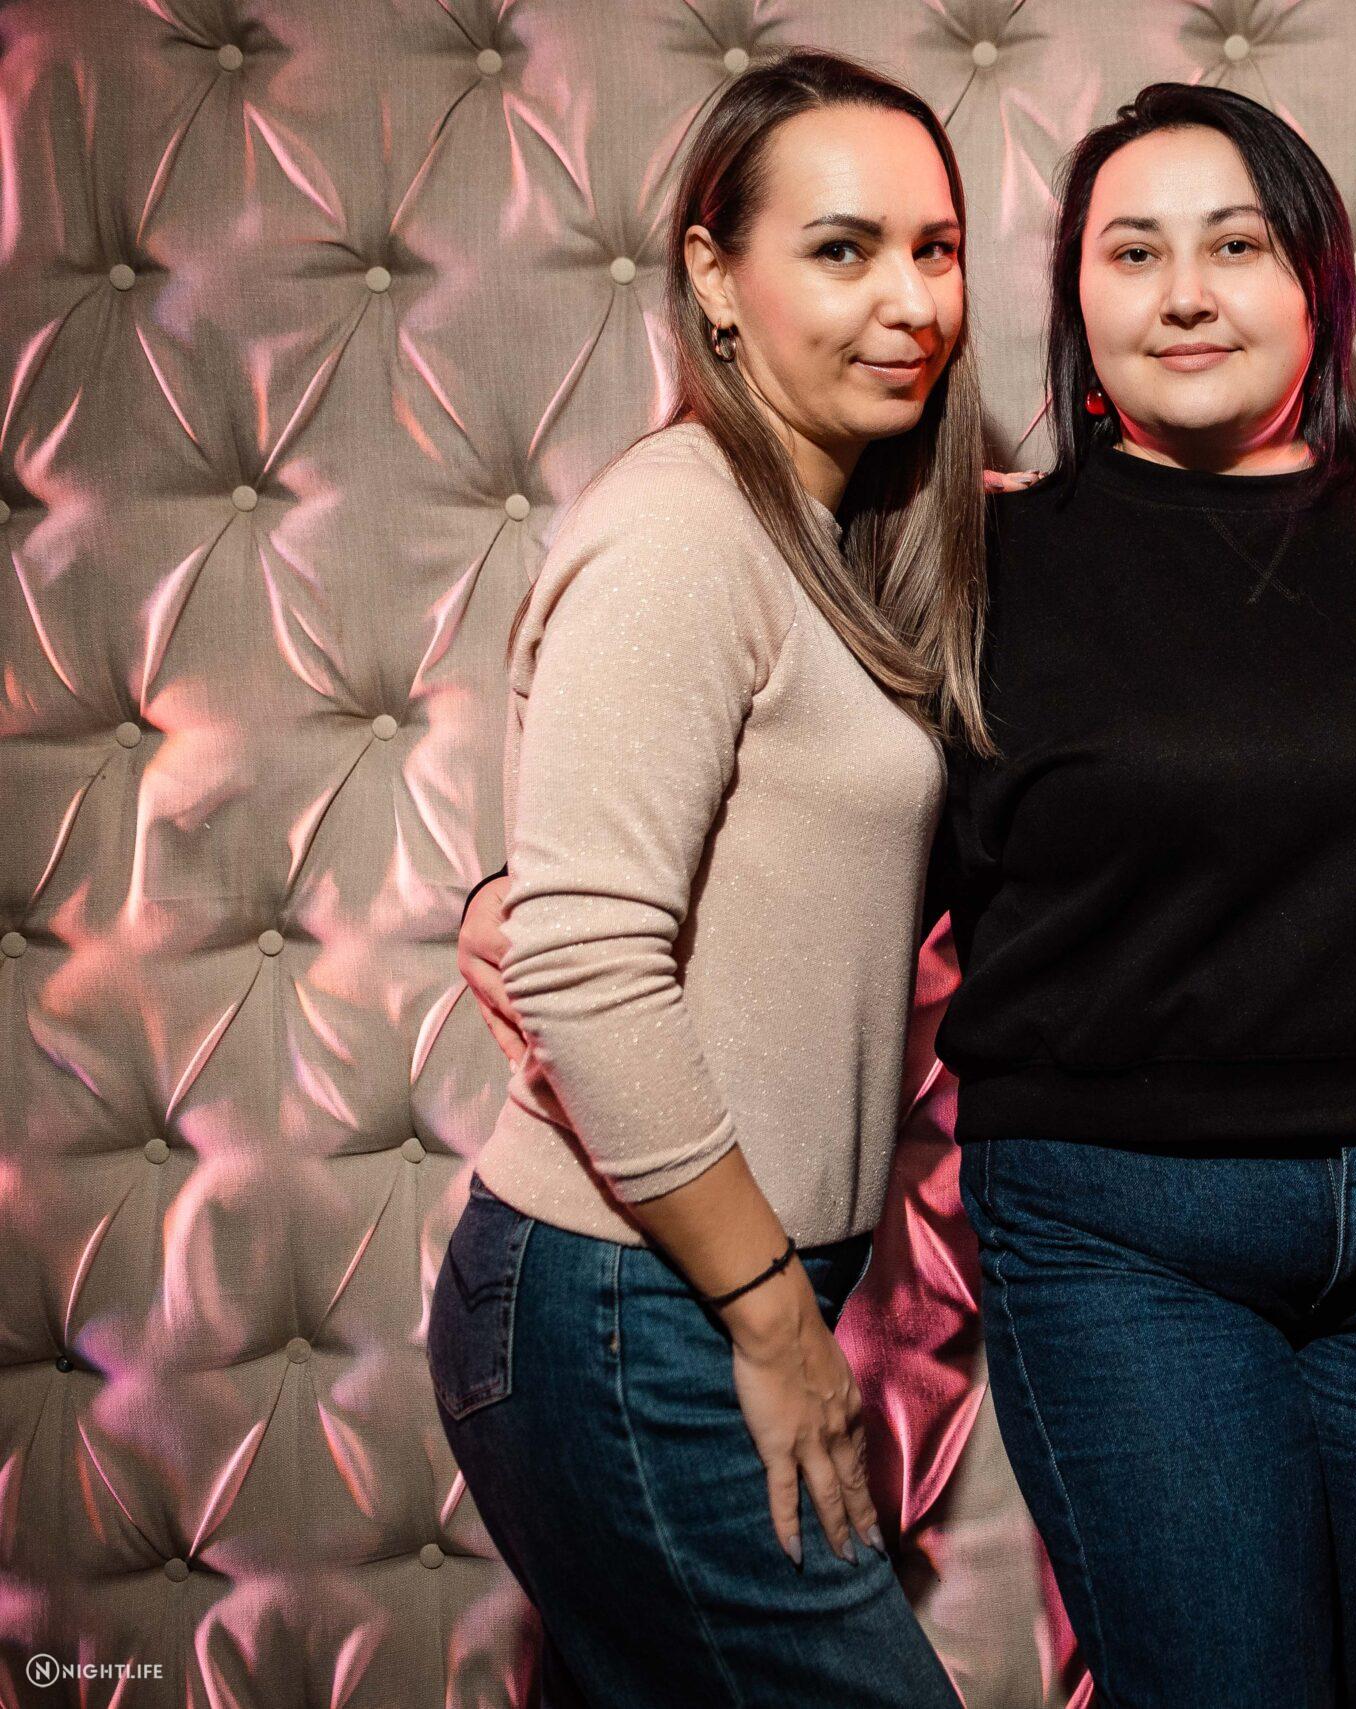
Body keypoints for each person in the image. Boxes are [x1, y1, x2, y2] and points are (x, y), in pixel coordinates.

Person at [935, 85, 1356, 1707]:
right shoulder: (983, 569)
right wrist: (540, 888)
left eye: (1235, 245)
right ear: (1076, 300)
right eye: (1132, 252)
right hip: (1119, 1226)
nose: (1185, 294)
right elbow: (815, 816)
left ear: (1315, 283)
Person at [427, 50, 983, 1708]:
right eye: (843, 249)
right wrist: (771, 1317)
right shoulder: (683, 528)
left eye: (936, 249)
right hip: (639, 1296)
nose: (909, 301)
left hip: (688, 1288)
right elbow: (589, 960)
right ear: (715, 278)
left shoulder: (835, 539)